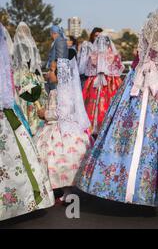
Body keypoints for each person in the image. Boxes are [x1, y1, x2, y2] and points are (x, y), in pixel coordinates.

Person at [76, 0, 158, 207]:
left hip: (144, 80)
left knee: (136, 132)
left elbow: (140, 57)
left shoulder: (153, 23)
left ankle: (126, 185)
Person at [0, 23, 54, 221]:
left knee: (25, 105)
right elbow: (32, 63)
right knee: (29, 107)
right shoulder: (29, 44)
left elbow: (12, 63)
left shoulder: (19, 43)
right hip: (30, 77)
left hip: (20, 77)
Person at [35, 58, 91, 203]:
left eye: (52, 70)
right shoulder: (66, 90)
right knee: (68, 159)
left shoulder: (58, 92)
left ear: (60, 75)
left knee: (53, 154)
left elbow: (61, 114)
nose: (49, 73)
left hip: (59, 129)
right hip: (71, 129)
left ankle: (62, 190)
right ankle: (66, 190)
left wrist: (44, 114)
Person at [82, 33, 124, 135]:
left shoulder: (108, 54)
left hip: (108, 81)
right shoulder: (95, 54)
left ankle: (105, 125)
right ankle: (95, 126)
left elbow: (117, 67)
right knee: (95, 103)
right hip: (103, 81)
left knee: (106, 102)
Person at [12, 22, 47, 135]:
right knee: (32, 101)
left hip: (20, 76)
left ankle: (25, 128)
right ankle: (33, 127)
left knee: (24, 100)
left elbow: (15, 62)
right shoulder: (31, 44)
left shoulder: (17, 45)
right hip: (32, 75)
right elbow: (36, 63)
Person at [46, 25, 68, 92]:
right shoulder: (57, 41)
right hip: (54, 70)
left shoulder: (59, 40)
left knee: (56, 92)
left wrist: (54, 72)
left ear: (53, 33)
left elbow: (60, 58)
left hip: (56, 72)